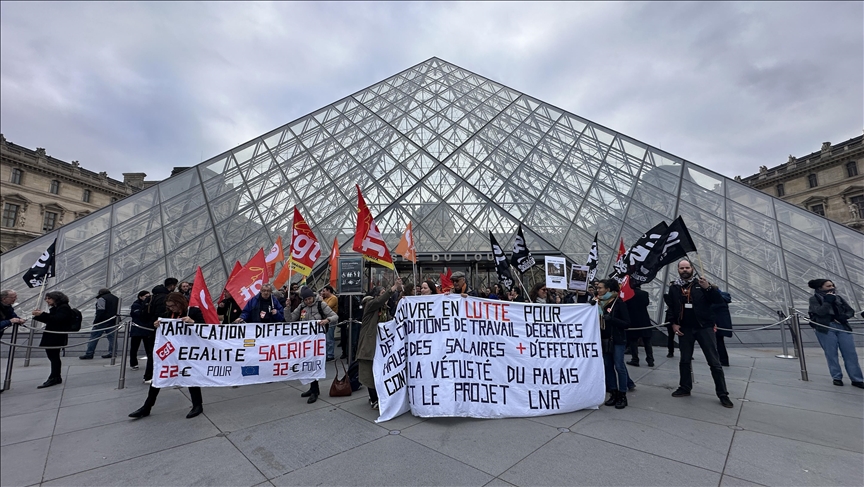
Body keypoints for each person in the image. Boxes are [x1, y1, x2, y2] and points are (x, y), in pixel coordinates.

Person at [667, 260, 734, 408]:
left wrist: (709, 288)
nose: (684, 270)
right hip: (685, 328)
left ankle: (723, 394)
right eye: (682, 268)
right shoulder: (674, 287)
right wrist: (673, 323)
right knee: (684, 360)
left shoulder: (702, 284)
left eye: (687, 267)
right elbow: (671, 306)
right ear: (678, 270)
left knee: (714, 362)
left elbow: (719, 301)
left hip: (704, 327)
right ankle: (685, 387)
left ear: (692, 269)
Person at [129, 293, 206, 419]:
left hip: (187, 351)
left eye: (172, 306)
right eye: (168, 306)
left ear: (179, 303)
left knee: (191, 376)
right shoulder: (166, 315)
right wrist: (156, 326)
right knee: (159, 376)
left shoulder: (193, 311)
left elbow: (204, 328)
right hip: (171, 352)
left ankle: (197, 405)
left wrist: (192, 322)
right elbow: (159, 332)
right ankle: (147, 406)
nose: (171, 308)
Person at [807, 279, 863, 388]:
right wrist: (828, 301)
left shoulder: (838, 298)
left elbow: (850, 311)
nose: (832, 287)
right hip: (826, 328)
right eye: (828, 286)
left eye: (832, 285)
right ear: (820, 288)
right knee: (831, 354)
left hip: (843, 327)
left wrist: (844, 317)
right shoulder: (814, 299)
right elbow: (820, 312)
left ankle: (857, 379)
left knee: (850, 353)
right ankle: (837, 377)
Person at [358, 279, 401, 409]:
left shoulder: (385, 309)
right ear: (376, 295)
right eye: (382, 293)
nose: (385, 297)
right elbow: (379, 301)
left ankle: (380, 395)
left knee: (380, 371)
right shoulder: (370, 304)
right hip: (369, 345)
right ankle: (373, 398)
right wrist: (393, 287)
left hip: (381, 347)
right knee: (369, 371)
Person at [290, 286, 338, 403]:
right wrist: (287, 307)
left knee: (314, 363)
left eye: (310, 299)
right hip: (306, 341)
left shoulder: (321, 305)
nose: (308, 301)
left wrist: (327, 320)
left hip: (317, 341)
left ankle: (315, 390)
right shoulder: (301, 307)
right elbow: (290, 319)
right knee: (308, 363)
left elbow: (335, 316)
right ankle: (312, 388)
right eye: (306, 300)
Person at [596, 279, 632, 409]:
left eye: (600, 288)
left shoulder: (619, 303)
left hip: (617, 340)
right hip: (604, 339)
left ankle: (622, 394)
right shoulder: (598, 303)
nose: (598, 290)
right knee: (608, 366)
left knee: (619, 366)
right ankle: (613, 392)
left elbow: (627, 323)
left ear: (608, 289)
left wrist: (612, 319)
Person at [31, 291, 73, 389]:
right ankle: (55, 376)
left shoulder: (63, 307)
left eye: (49, 298)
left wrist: (42, 314)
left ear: (56, 298)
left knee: (54, 357)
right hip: (53, 335)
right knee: (53, 357)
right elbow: (51, 319)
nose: (47, 300)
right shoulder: (57, 307)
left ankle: (54, 377)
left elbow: (57, 319)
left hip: (55, 336)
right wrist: (39, 315)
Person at [80, 288, 119, 359]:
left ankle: (89, 353)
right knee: (112, 339)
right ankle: (112, 353)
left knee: (93, 338)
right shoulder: (116, 298)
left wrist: (96, 321)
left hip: (102, 321)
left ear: (100, 293)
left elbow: (100, 310)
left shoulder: (102, 298)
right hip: (113, 321)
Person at [129, 290, 156, 383]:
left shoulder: (148, 304)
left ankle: (150, 364)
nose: (147, 297)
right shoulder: (136, 305)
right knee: (134, 348)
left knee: (148, 348)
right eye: (145, 296)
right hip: (138, 329)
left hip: (145, 329)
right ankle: (133, 363)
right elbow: (137, 315)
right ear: (140, 297)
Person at [626, 283, 654, 367]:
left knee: (633, 341)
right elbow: (646, 304)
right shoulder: (645, 294)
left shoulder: (629, 295)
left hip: (633, 320)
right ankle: (650, 360)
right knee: (647, 341)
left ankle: (635, 359)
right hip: (644, 319)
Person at [712, 289, 733, 367]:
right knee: (719, 342)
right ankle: (723, 360)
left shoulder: (716, 300)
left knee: (718, 342)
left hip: (716, 324)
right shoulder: (724, 298)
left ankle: (722, 360)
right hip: (722, 324)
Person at [320, 286, 339, 361]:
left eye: (324, 291)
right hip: (325, 320)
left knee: (329, 338)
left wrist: (321, 301)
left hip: (331, 320)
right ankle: (326, 353)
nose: (323, 293)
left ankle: (330, 354)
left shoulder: (333, 298)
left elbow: (327, 307)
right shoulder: (325, 298)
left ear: (329, 291)